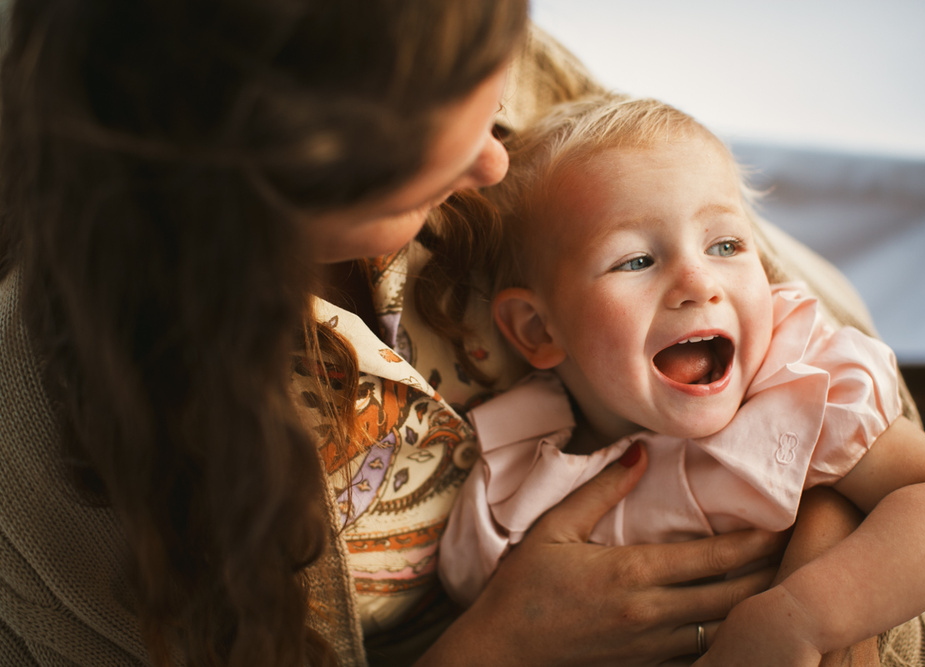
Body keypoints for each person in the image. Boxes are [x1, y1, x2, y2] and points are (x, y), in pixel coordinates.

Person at [0, 3, 796, 666]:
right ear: (265, 187)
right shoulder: (43, 444)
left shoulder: (456, 36)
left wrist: (823, 590)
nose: (495, 161)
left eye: (490, 109)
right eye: (426, 164)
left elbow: (795, 319)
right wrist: (496, 646)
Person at [438, 95, 925, 665]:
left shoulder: (800, 379)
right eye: (635, 261)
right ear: (537, 328)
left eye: (725, 245)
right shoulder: (513, 482)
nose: (698, 283)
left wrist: (800, 618)